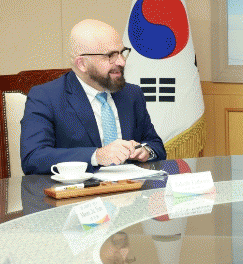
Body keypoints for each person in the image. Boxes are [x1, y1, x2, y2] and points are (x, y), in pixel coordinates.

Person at [20, 19, 165, 174]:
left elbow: (156, 145)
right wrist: (96, 156)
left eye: (122, 53)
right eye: (111, 55)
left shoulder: (131, 94)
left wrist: (146, 151)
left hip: (131, 186)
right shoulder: (46, 97)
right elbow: (33, 158)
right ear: (82, 64)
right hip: (79, 188)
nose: (122, 62)